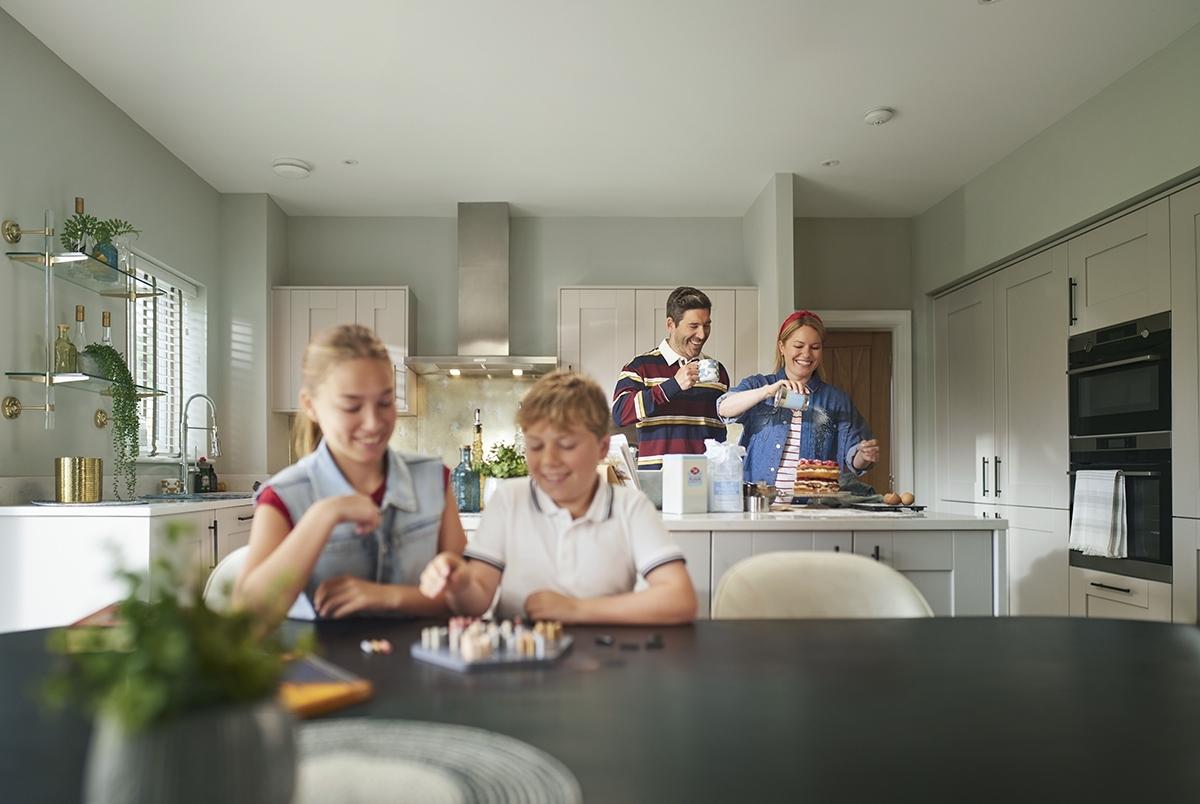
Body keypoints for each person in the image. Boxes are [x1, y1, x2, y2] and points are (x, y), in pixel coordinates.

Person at [420, 370, 697, 624]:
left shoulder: (629, 506)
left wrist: (577, 610)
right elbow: (476, 599)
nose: (549, 460)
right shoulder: (508, 500)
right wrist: (457, 582)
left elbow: (679, 599)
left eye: (566, 445)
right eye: (536, 446)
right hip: (519, 664)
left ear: (602, 447)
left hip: (601, 664)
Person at [235, 324, 466, 623]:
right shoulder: (282, 497)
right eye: (351, 406)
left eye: (385, 402)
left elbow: (463, 597)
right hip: (325, 668)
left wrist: (384, 597)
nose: (372, 423)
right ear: (311, 405)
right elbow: (247, 619)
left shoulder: (434, 478)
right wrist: (324, 515)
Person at [716, 310, 879, 487]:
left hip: (813, 508)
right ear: (782, 347)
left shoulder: (836, 400)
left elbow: (853, 457)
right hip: (761, 504)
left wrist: (864, 455)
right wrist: (767, 391)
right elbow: (724, 407)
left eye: (815, 347)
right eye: (798, 346)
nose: (807, 354)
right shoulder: (759, 385)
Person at [611, 286, 730, 469]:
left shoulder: (718, 372)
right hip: (659, 485)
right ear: (670, 324)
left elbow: (720, 433)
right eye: (693, 326)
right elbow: (620, 414)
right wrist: (672, 386)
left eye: (706, 325)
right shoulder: (640, 367)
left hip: (706, 483)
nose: (702, 334)